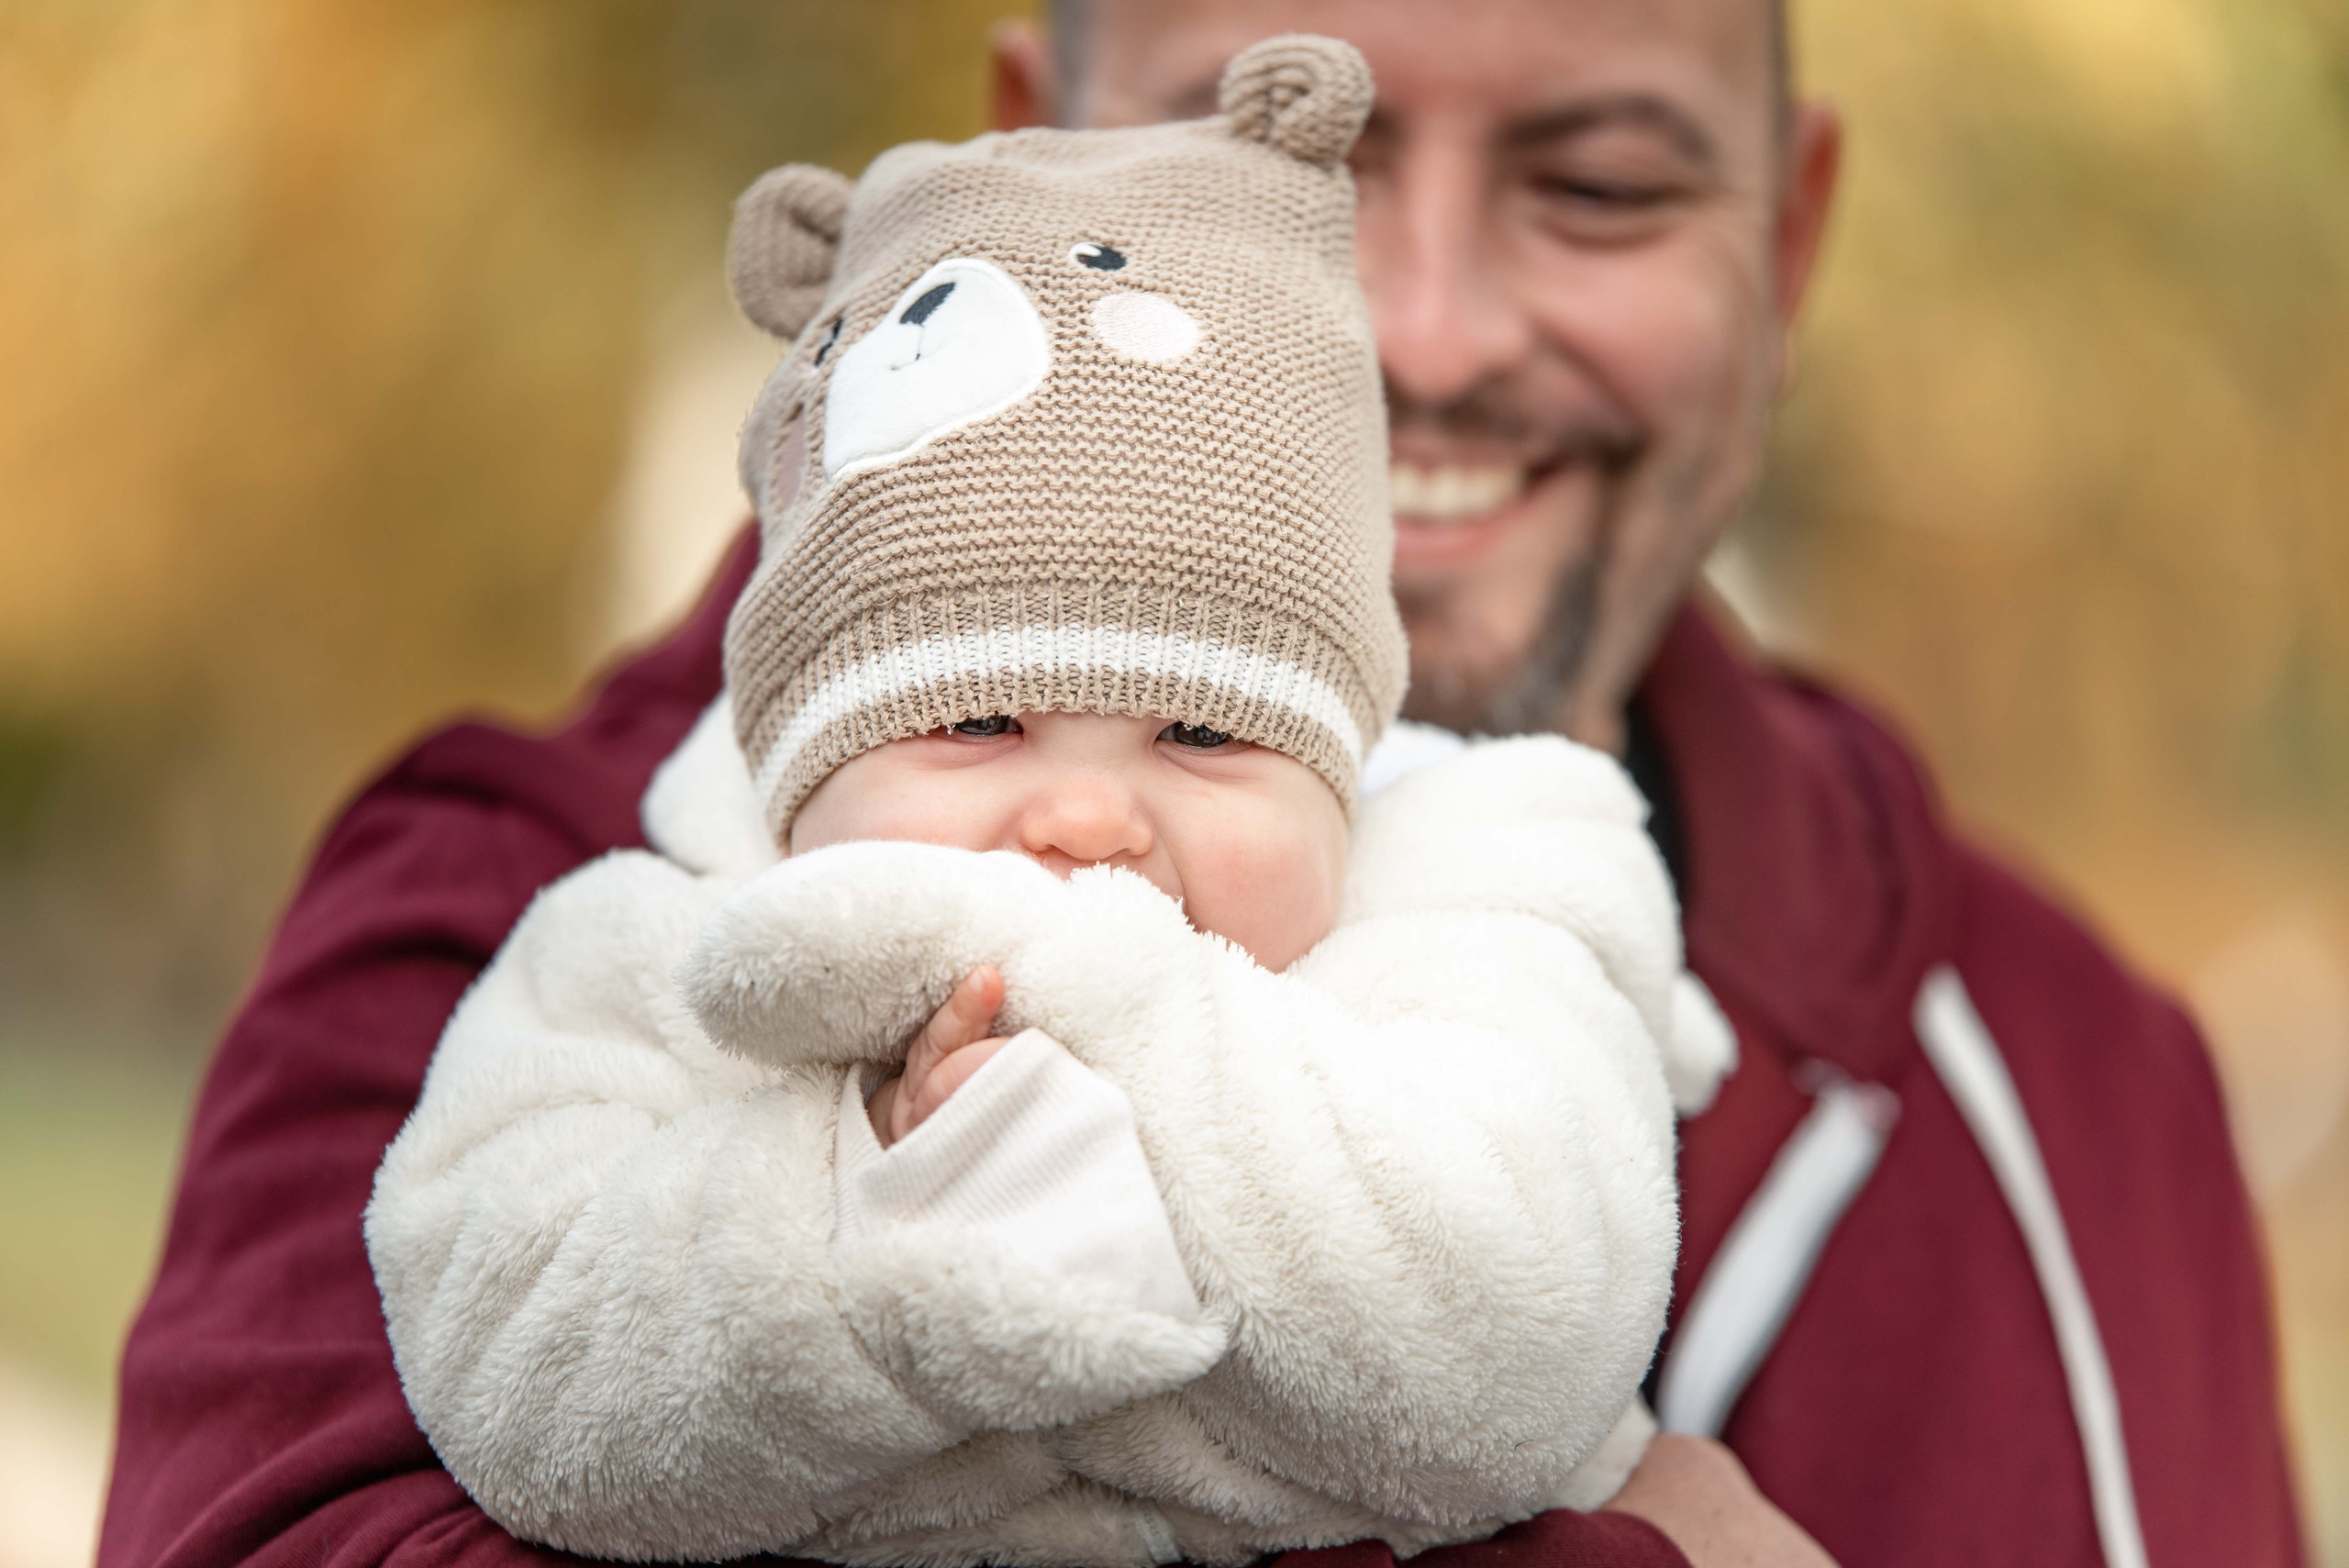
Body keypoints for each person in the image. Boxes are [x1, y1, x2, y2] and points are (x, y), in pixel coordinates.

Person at [95, 0, 2303, 1565]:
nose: (1414, 326)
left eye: (1601, 185)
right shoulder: (509, 909)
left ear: (1788, 241)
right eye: (1287, 187)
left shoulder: (2080, 1077)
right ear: (1001, 158)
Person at [364, 43, 1722, 1562]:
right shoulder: (644, 949)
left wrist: (1125, 1014)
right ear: (797, 776)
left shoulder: (1464, 917)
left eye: (1206, 730)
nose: (1088, 817)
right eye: (977, 721)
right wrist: (861, 1200)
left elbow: (1512, 1357)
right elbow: (517, 1367)